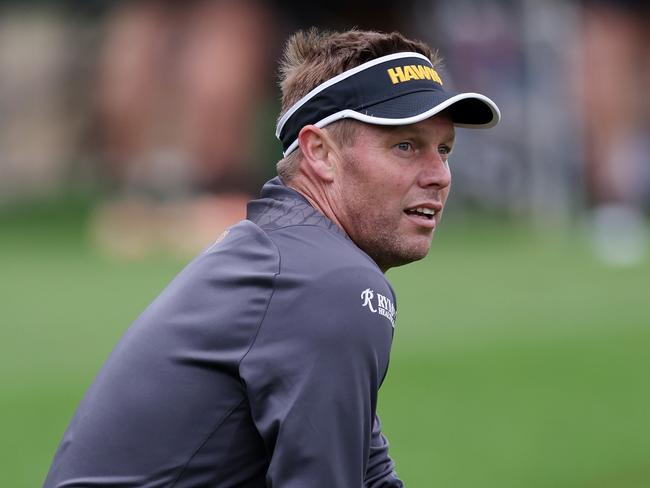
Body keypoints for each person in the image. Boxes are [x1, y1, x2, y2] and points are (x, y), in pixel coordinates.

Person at [44, 28, 500, 487]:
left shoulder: (289, 256)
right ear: (319, 153)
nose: (439, 176)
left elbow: (371, 475)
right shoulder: (329, 281)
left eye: (444, 150)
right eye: (405, 146)